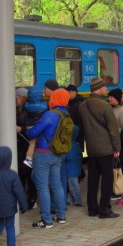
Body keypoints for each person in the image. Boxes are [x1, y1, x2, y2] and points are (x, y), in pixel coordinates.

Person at [25, 89, 69, 228]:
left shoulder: (49, 114)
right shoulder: (66, 114)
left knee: (43, 187)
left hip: (43, 153)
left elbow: (33, 132)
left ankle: (46, 220)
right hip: (58, 154)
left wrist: (26, 130)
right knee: (57, 185)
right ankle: (61, 216)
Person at [79, 77, 121, 219]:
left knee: (93, 179)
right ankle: (104, 210)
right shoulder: (104, 106)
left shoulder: (83, 106)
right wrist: (117, 147)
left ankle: (92, 209)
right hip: (105, 148)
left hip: (91, 148)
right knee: (107, 179)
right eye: (104, 87)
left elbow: (83, 128)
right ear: (98, 88)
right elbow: (113, 129)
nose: (106, 89)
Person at [0, 146, 28, 245]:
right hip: (9, 208)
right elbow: (19, 192)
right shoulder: (12, 175)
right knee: (10, 227)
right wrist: (24, 206)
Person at [15, 88, 38, 210]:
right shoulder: (26, 110)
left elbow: (31, 126)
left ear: (20, 97)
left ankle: (31, 199)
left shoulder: (27, 111)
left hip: (26, 145)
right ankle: (28, 198)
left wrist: (21, 128)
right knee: (24, 172)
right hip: (24, 144)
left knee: (27, 173)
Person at [20, 86, 48, 169]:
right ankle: (29, 158)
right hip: (35, 125)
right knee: (33, 142)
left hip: (29, 125)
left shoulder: (26, 105)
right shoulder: (45, 105)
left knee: (32, 141)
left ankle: (30, 157)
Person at [65, 126, 83, 206]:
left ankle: (78, 200)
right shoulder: (76, 143)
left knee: (73, 186)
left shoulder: (68, 144)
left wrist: (61, 155)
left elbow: (69, 156)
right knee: (73, 185)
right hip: (75, 168)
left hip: (70, 169)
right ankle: (70, 200)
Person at [65, 84, 85, 151]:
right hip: (69, 136)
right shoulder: (67, 104)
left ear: (74, 92)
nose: (66, 94)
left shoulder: (80, 104)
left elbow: (82, 122)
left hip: (77, 137)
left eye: (68, 92)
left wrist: (76, 133)